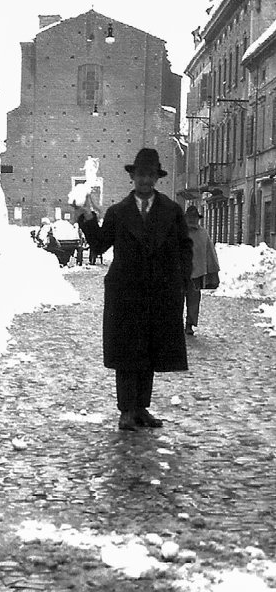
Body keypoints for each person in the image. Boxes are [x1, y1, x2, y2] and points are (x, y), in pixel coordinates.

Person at [94, 148, 193, 431]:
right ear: (133, 177)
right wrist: (86, 218)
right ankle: (126, 410)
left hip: (159, 293)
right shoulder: (118, 212)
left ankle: (141, 408)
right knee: (127, 354)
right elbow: (100, 244)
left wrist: (181, 280)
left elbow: (185, 248)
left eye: (150, 175)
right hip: (126, 293)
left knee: (149, 353)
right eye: (140, 175)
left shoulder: (172, 211)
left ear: (156, 178)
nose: (145, 180)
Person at [184, 205, 220, 336]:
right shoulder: (178, 232)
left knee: (193, 301)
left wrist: (213, 272)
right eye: (190, 217)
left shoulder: (203, 233)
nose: (192, 220)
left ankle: (189, 324)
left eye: (195, 218)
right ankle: (174, 324)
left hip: (196, 274)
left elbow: (210, 252)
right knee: (176, 301)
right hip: (179, 273)